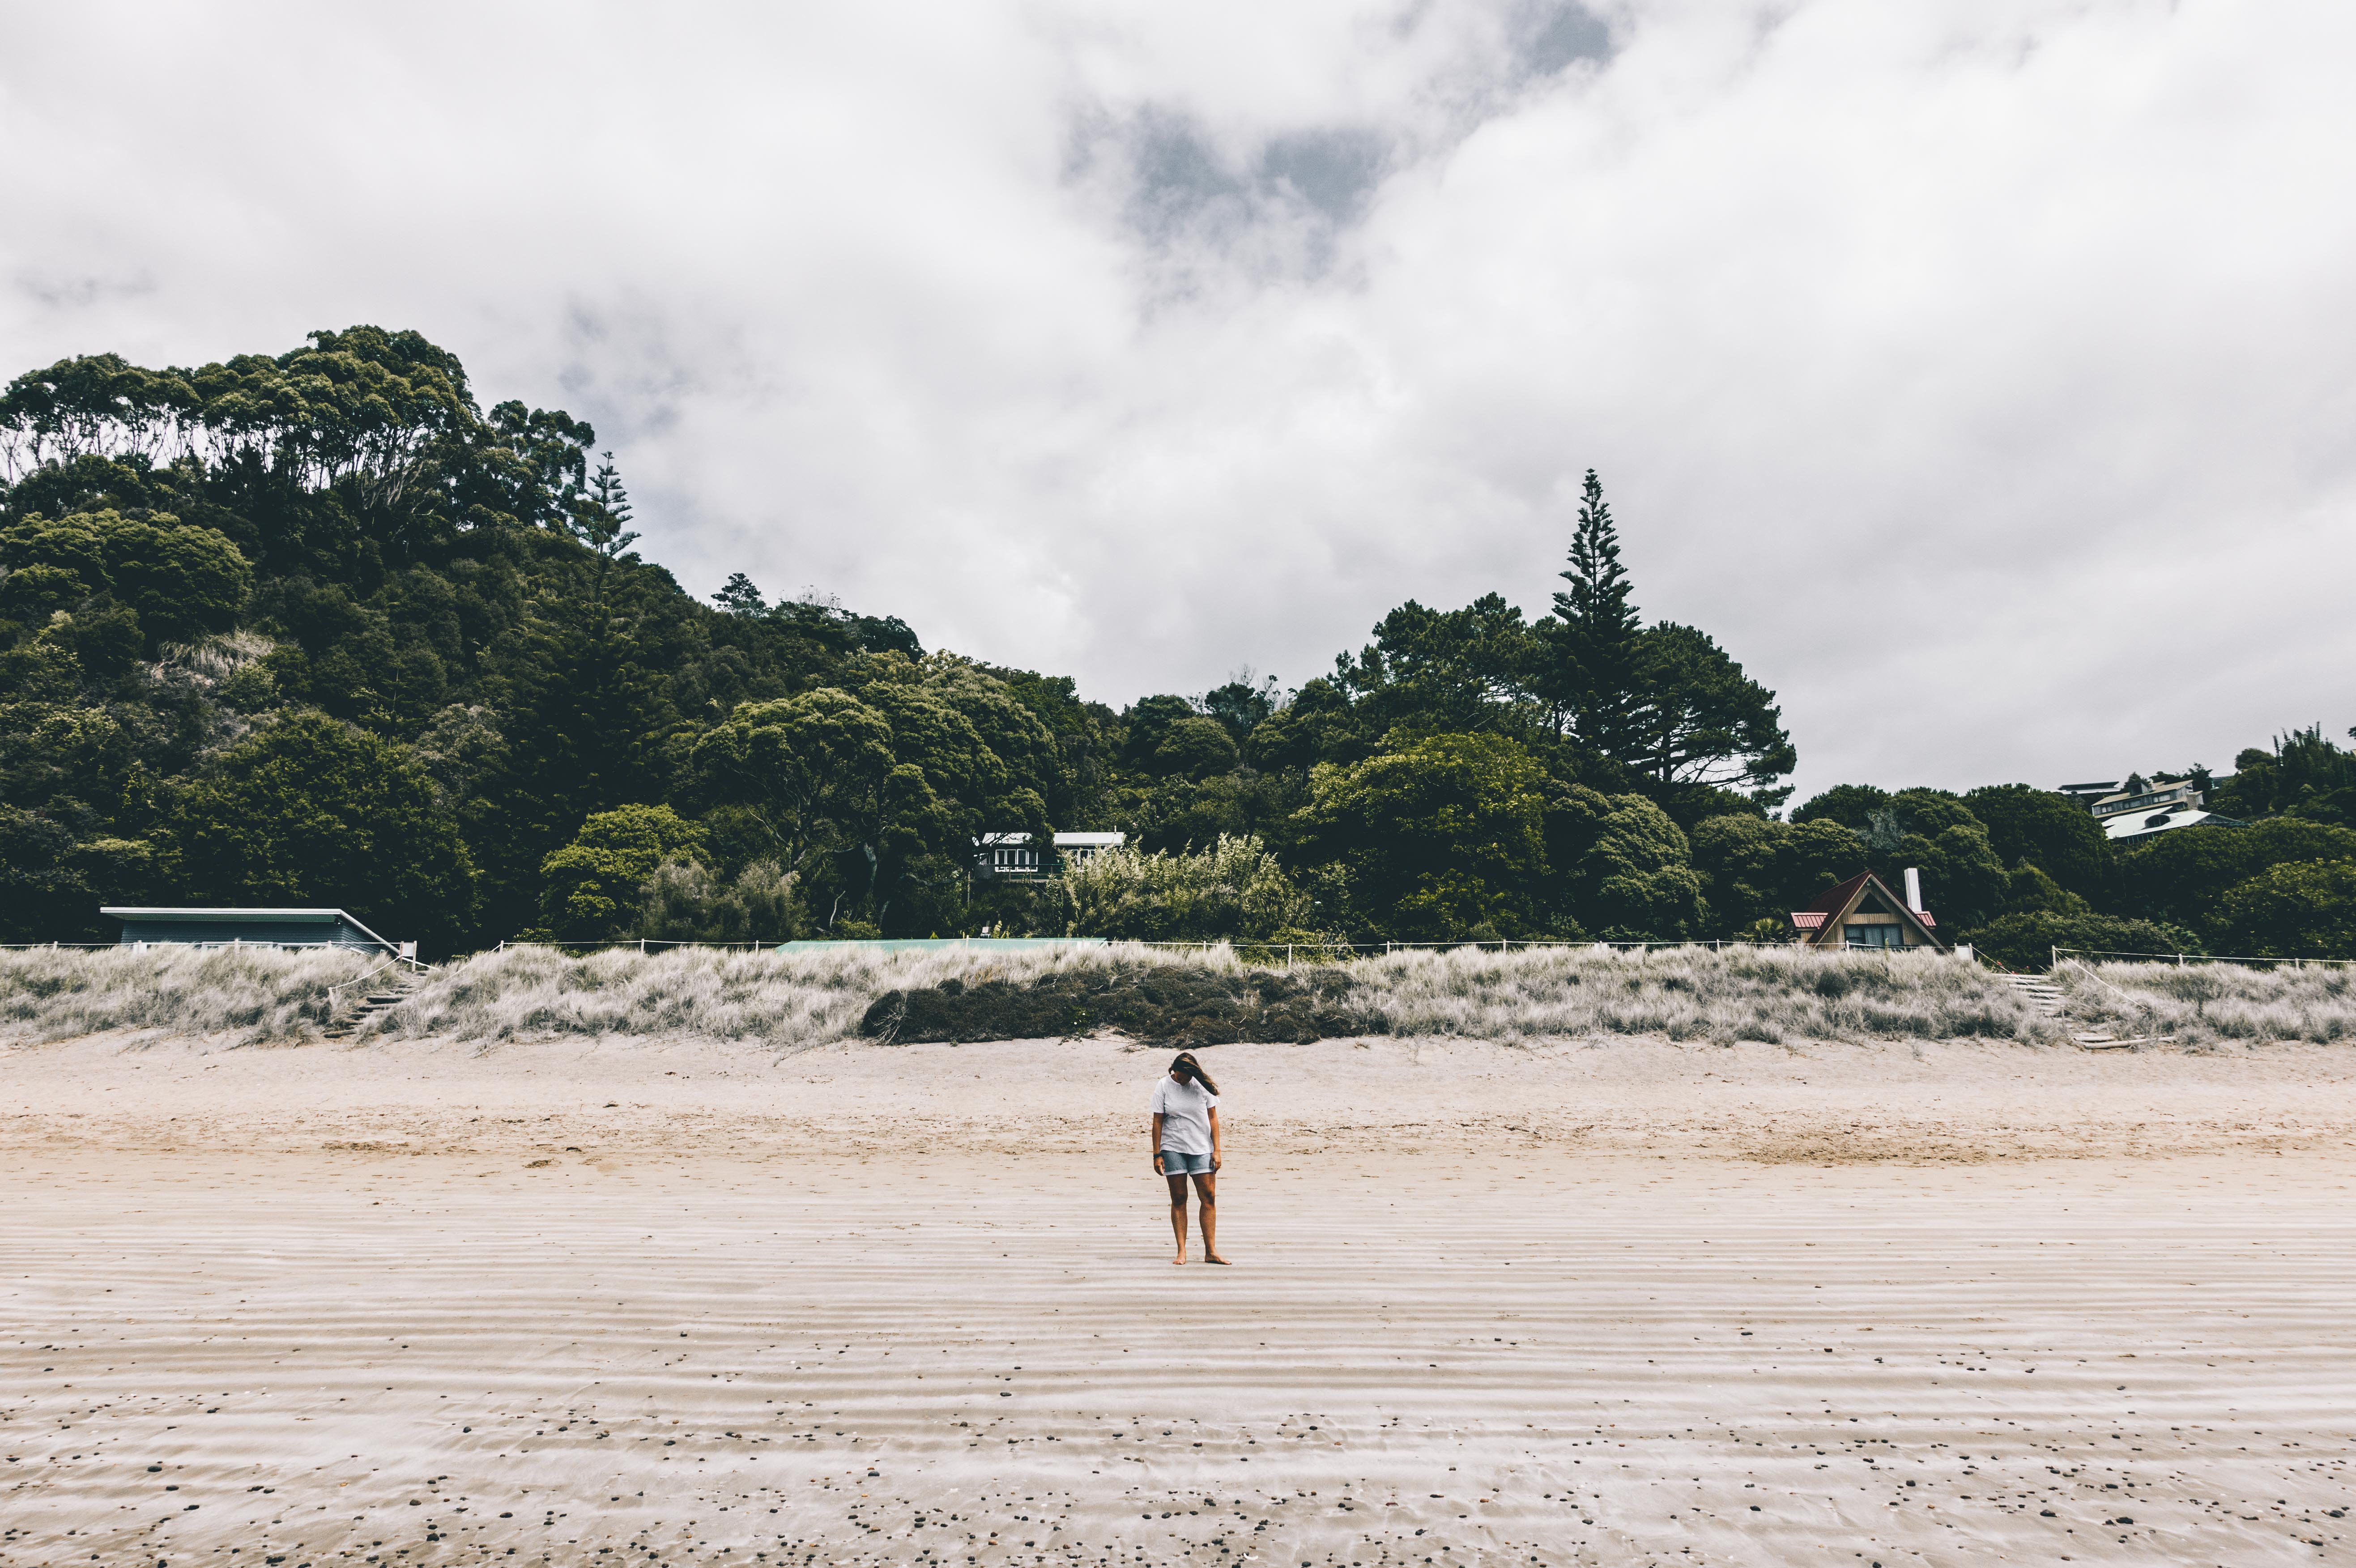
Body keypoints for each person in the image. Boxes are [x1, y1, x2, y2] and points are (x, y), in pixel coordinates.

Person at [1150, 1050, 1227, 1265]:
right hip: (1172, 1148)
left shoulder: (1202, 1085)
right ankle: (1181, 1251)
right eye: (1181, 1076)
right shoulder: (1164, 1085)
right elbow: (1157, 1121)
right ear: (1174, 1071)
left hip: (1202, 1147)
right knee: (1179, 1198)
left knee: (1209, 1197)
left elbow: (1213, 1118)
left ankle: (1211, 1251)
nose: (1184, 1081)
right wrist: (1157, 1154)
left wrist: (1217, 1150)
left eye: (1187, 1077)